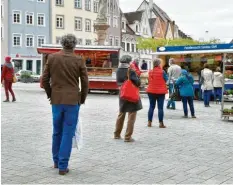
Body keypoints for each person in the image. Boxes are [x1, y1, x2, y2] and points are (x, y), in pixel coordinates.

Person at [42, 34, 89, 175]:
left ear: (61, 44)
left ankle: (56, 161)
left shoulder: (52, 58)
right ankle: (63, 165)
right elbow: (85, 82)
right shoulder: (79, 59)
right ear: (74, 45)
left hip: (56, 100)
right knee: (68, 133)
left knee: (57, 131)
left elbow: (44, 80)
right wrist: (82, 98)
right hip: (72, 100)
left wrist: (51, 94)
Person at [114, 55, 142, 142]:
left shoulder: (118, 70)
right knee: (131, 115)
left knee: (121, 113)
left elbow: (118, 82)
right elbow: (137, 83)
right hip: (131, 94)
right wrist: (138, 78)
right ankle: (127, 137)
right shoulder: (130, 70)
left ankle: (117, 134)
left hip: (122, 94)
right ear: (129, 61)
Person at [146, 58, 167, 128]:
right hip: (161, 92)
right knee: (160, 108)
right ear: (159, 64)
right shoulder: (162, 72)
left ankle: (149, 122)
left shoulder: (150, 71)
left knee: (151, 106)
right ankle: (161, 123)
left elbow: (149, 80)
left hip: (151, 91)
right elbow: (166, 79)